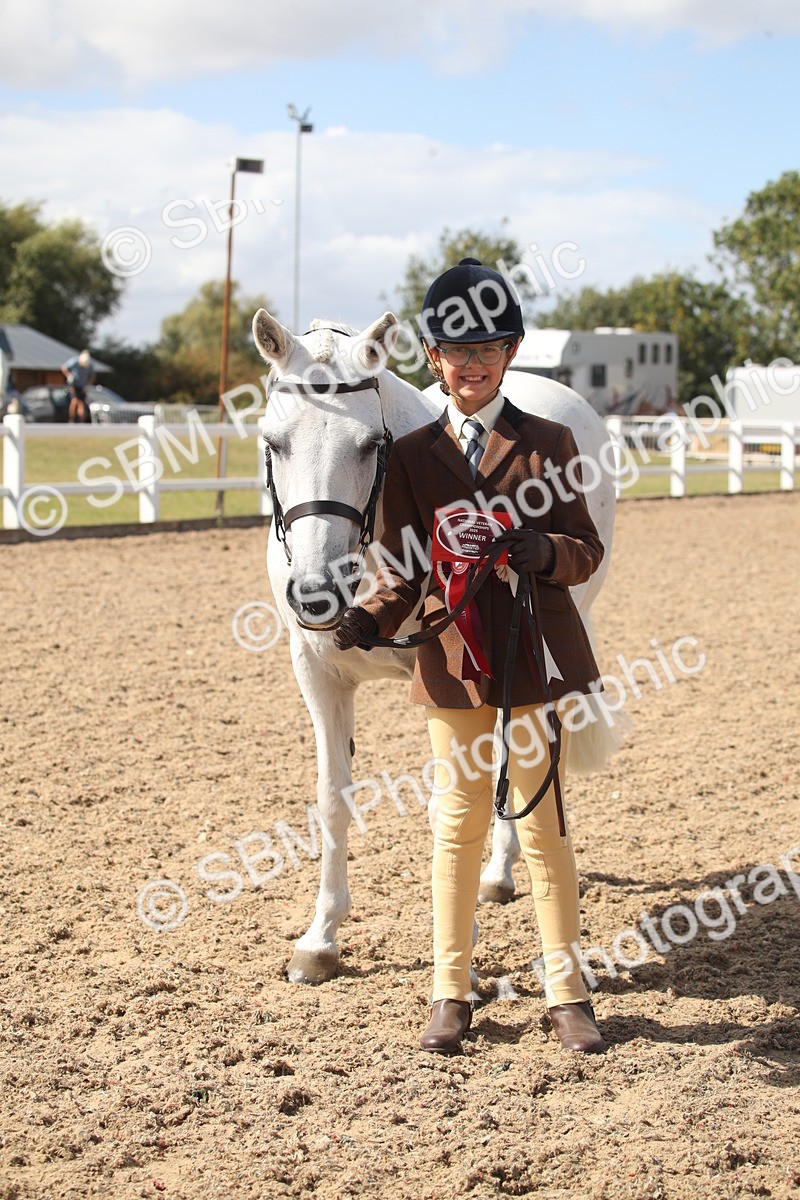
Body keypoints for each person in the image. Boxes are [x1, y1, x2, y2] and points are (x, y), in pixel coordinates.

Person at [334, 258, 608, 1056]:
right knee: (455, 826)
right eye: (458, 350)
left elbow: (586, 551)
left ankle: (567, 992)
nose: (474, 363)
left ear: (511, 353)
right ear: (434, 357)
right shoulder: (413, 455)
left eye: (489, 348)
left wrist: (543, 548)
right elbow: (398, 563)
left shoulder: (549, 442)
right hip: (453, 662)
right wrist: (365, 618)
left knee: (545, 825)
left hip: (533, 655)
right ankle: (450, 988)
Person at [61, 349, 95, 423]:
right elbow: (64, 368)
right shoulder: (75, 362)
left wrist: (87, 385)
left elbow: (92, 376)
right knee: (74, 401)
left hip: (83, 386)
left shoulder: (90, 365)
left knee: (81, 403)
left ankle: (81, 420)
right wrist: (69, 375)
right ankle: (72, 419)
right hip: (74, 384)